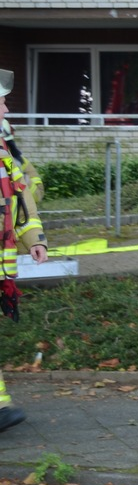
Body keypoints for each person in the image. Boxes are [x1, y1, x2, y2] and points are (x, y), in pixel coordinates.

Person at [0, 68, 48, 433]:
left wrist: (35, 240)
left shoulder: (5, 155)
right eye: (0, 103)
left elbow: (21, 202)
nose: (5, 110)